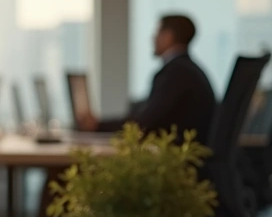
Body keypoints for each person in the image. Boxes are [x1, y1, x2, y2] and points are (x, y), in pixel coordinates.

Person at [77, 14, 216, 143]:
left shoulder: (175, 73)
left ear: (168, 36)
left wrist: (97, 125)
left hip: (177, 157)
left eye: (157, 33)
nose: (153, 38)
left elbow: (144, 124)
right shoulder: (188, 70)